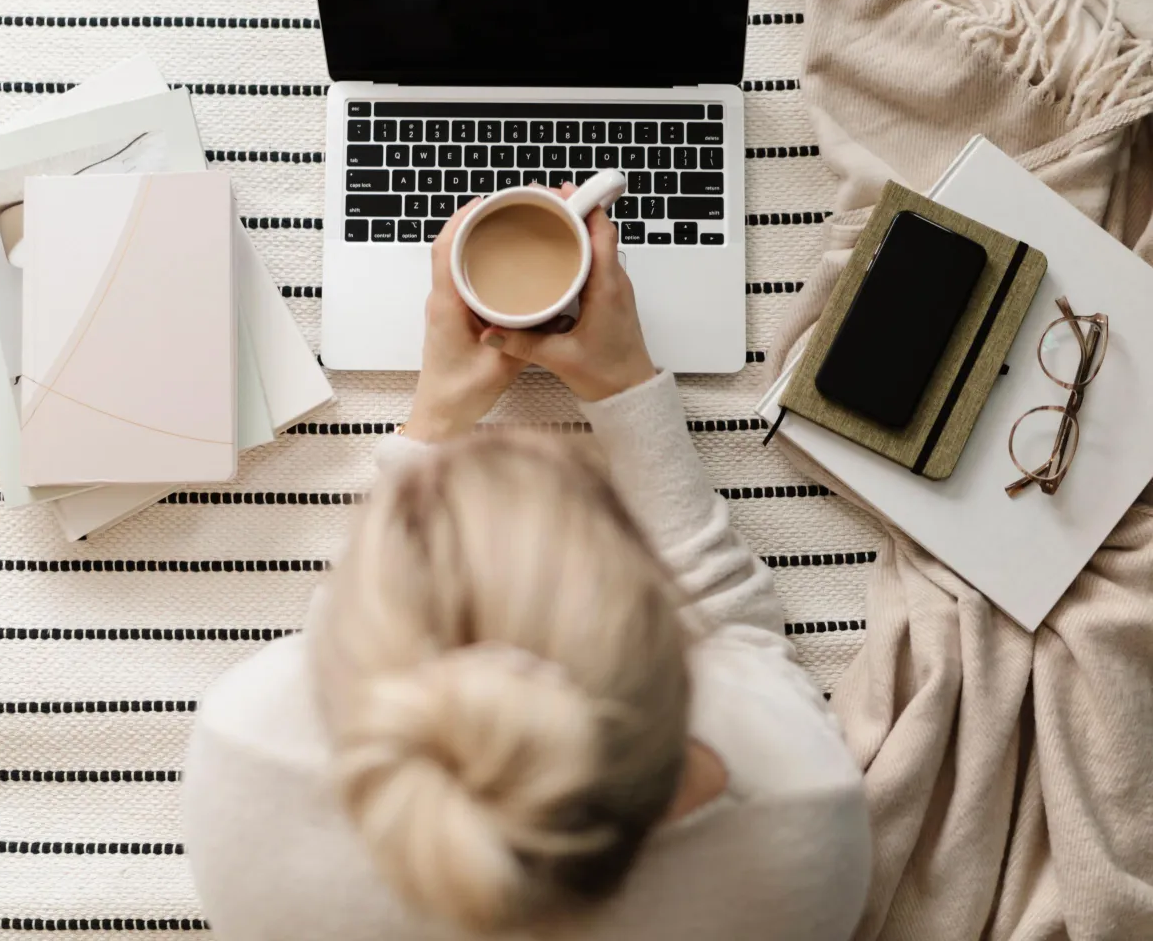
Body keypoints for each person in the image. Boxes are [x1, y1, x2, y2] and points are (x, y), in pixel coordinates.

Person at [182, 189, 872, 940]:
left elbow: (342, 635)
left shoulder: (250, 755)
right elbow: (743, 646)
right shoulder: (799, 829)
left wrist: (437, 415)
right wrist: (626, 388)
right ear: (678, 679)